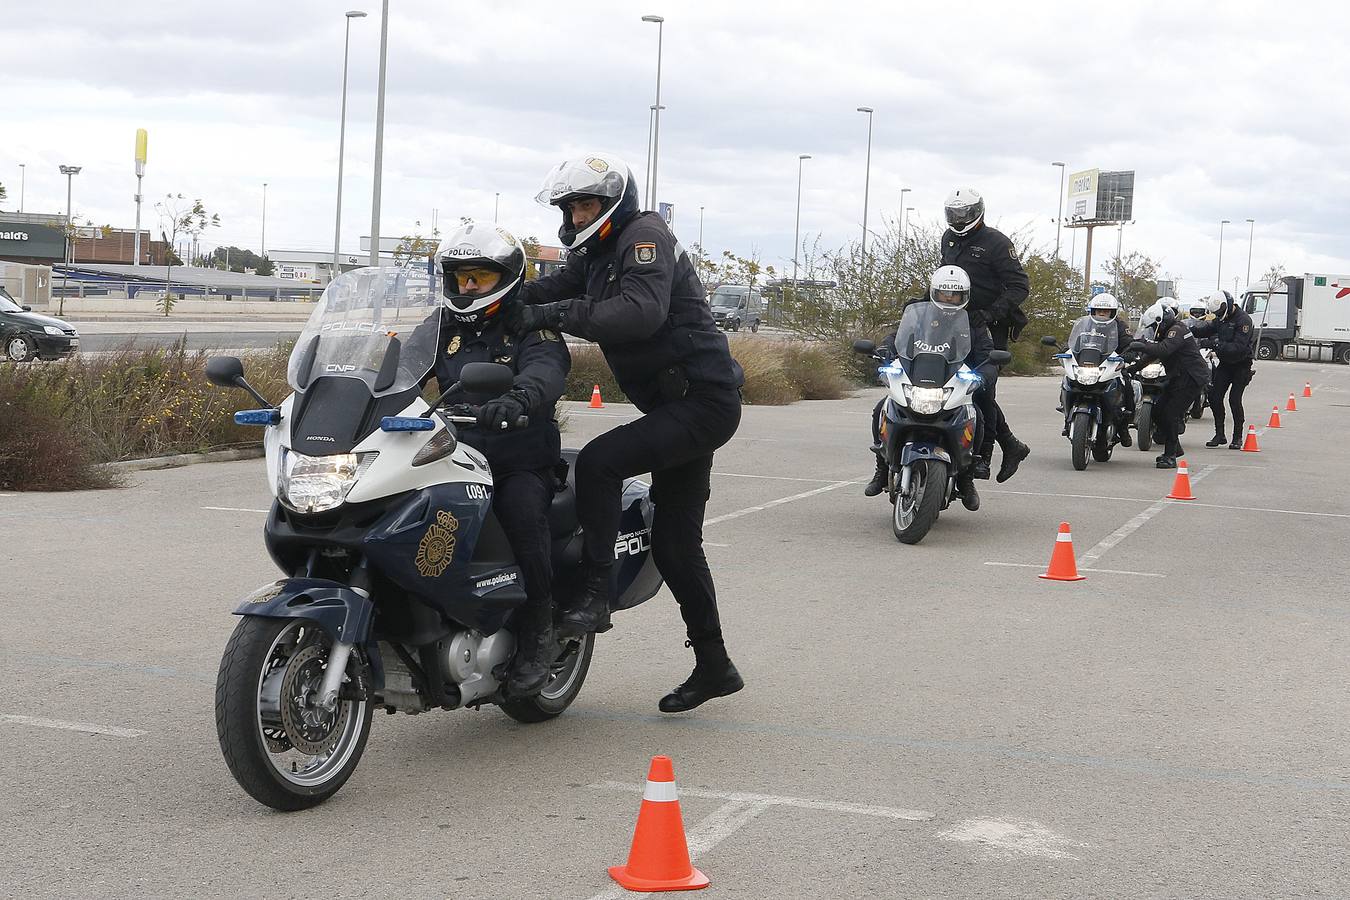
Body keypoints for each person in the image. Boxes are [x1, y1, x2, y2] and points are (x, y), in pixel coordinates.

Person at [512, 153, 746, 714]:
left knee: (598, 462)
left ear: (614, 202)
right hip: (676, 406)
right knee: (674, 542)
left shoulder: (645, 236)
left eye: (586, 204)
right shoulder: (593, 253)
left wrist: (555, 315)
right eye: (570, 207)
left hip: (702, 402)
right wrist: (486, 299)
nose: (575, 215)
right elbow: (546, 291)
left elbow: (639, 312)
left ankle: (594, 592)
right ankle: (715, 664)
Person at [420, 223, 570, 698]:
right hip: (455, 454)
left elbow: (547, 370)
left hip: (518, 457)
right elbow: (396, 368)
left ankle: (538, 629)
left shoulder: (529, 323)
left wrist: (521, 398)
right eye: (460, 277)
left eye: (479, 278)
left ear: (504, 278)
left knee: (521, 516)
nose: (467, 287)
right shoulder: (440, 326)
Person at [863, 266, 997, 511]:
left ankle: (967, 477)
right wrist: (884, 351)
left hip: (954, 380)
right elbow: (897, 337)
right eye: (945, 293)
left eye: (955, 295)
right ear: (934, 292)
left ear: (964, 296)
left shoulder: (974, 321)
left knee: (978, 413)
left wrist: (986, 373)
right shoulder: (917, 313)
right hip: (919, 376)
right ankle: (881, 468)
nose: (949, 299)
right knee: (882, 407)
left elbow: (987, 354)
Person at [940, 188, 1031, 483]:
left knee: (981, 389)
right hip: (953, 321)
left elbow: (1020, 286)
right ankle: (1011, 444)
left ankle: (984, 456)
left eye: (963, 213)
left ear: (977, 212)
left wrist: (991, 313)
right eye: (953, 214)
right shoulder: (949, 238)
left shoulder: (997, 243)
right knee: (946, 384)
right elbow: (946, 276)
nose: (958, 219)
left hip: (989, 325)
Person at [1125, 301, 1209, 468]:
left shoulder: (1176, 330)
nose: (1151, 331)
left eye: (1152, 327)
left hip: (1191, 377)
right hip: (1178, 376)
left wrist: (1144, 345)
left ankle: (1170, 455)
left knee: (1171, 414)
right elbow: (1152, 355)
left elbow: (1164, 350)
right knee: (1156, 411)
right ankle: (1175, 447)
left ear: (1160, 321)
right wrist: (1133, 368)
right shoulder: (1165, 332)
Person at [1060, 293, 1135, 445]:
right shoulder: (1085, 324)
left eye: (1105, 311)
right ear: (1092, 311)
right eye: (1098, 310)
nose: (1101, 313)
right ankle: (1066, 412)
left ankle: (1124, 426)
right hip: (1088, 363)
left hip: (1111, 363)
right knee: (1067, 380)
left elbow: (1129, 345)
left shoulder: (1120, 326)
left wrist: (1128, 354)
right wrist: (1065, 350)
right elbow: (1074, 341)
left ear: (1112, 312)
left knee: (1127, 384)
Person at [1192, 290, 1256, 449]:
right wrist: (1187, 329)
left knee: (1234, 399)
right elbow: (1206, 329)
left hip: (1242, 364)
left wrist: (1215, 344)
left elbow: (1239, 347)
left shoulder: (1244, 321)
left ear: (1228, 305)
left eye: (1220, 312)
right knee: (1214, 397)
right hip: (1226, 363)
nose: (1219, 315)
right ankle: (1219, 434)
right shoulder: (1221, 319)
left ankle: (1237, 437)